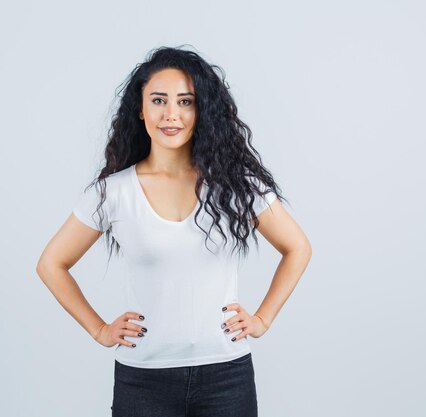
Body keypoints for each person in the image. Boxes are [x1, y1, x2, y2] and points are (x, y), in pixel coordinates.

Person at [36, 45, 312, 417]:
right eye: (159, 100)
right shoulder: (114, 192)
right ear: (141, 109)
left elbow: (297, 247)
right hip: (143, 380)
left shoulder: (235, 184)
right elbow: (51, 263)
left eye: (186, 102)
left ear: (201, 111)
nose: (171, 114)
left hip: (226, 376)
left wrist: (262, 319)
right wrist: (100, 330)